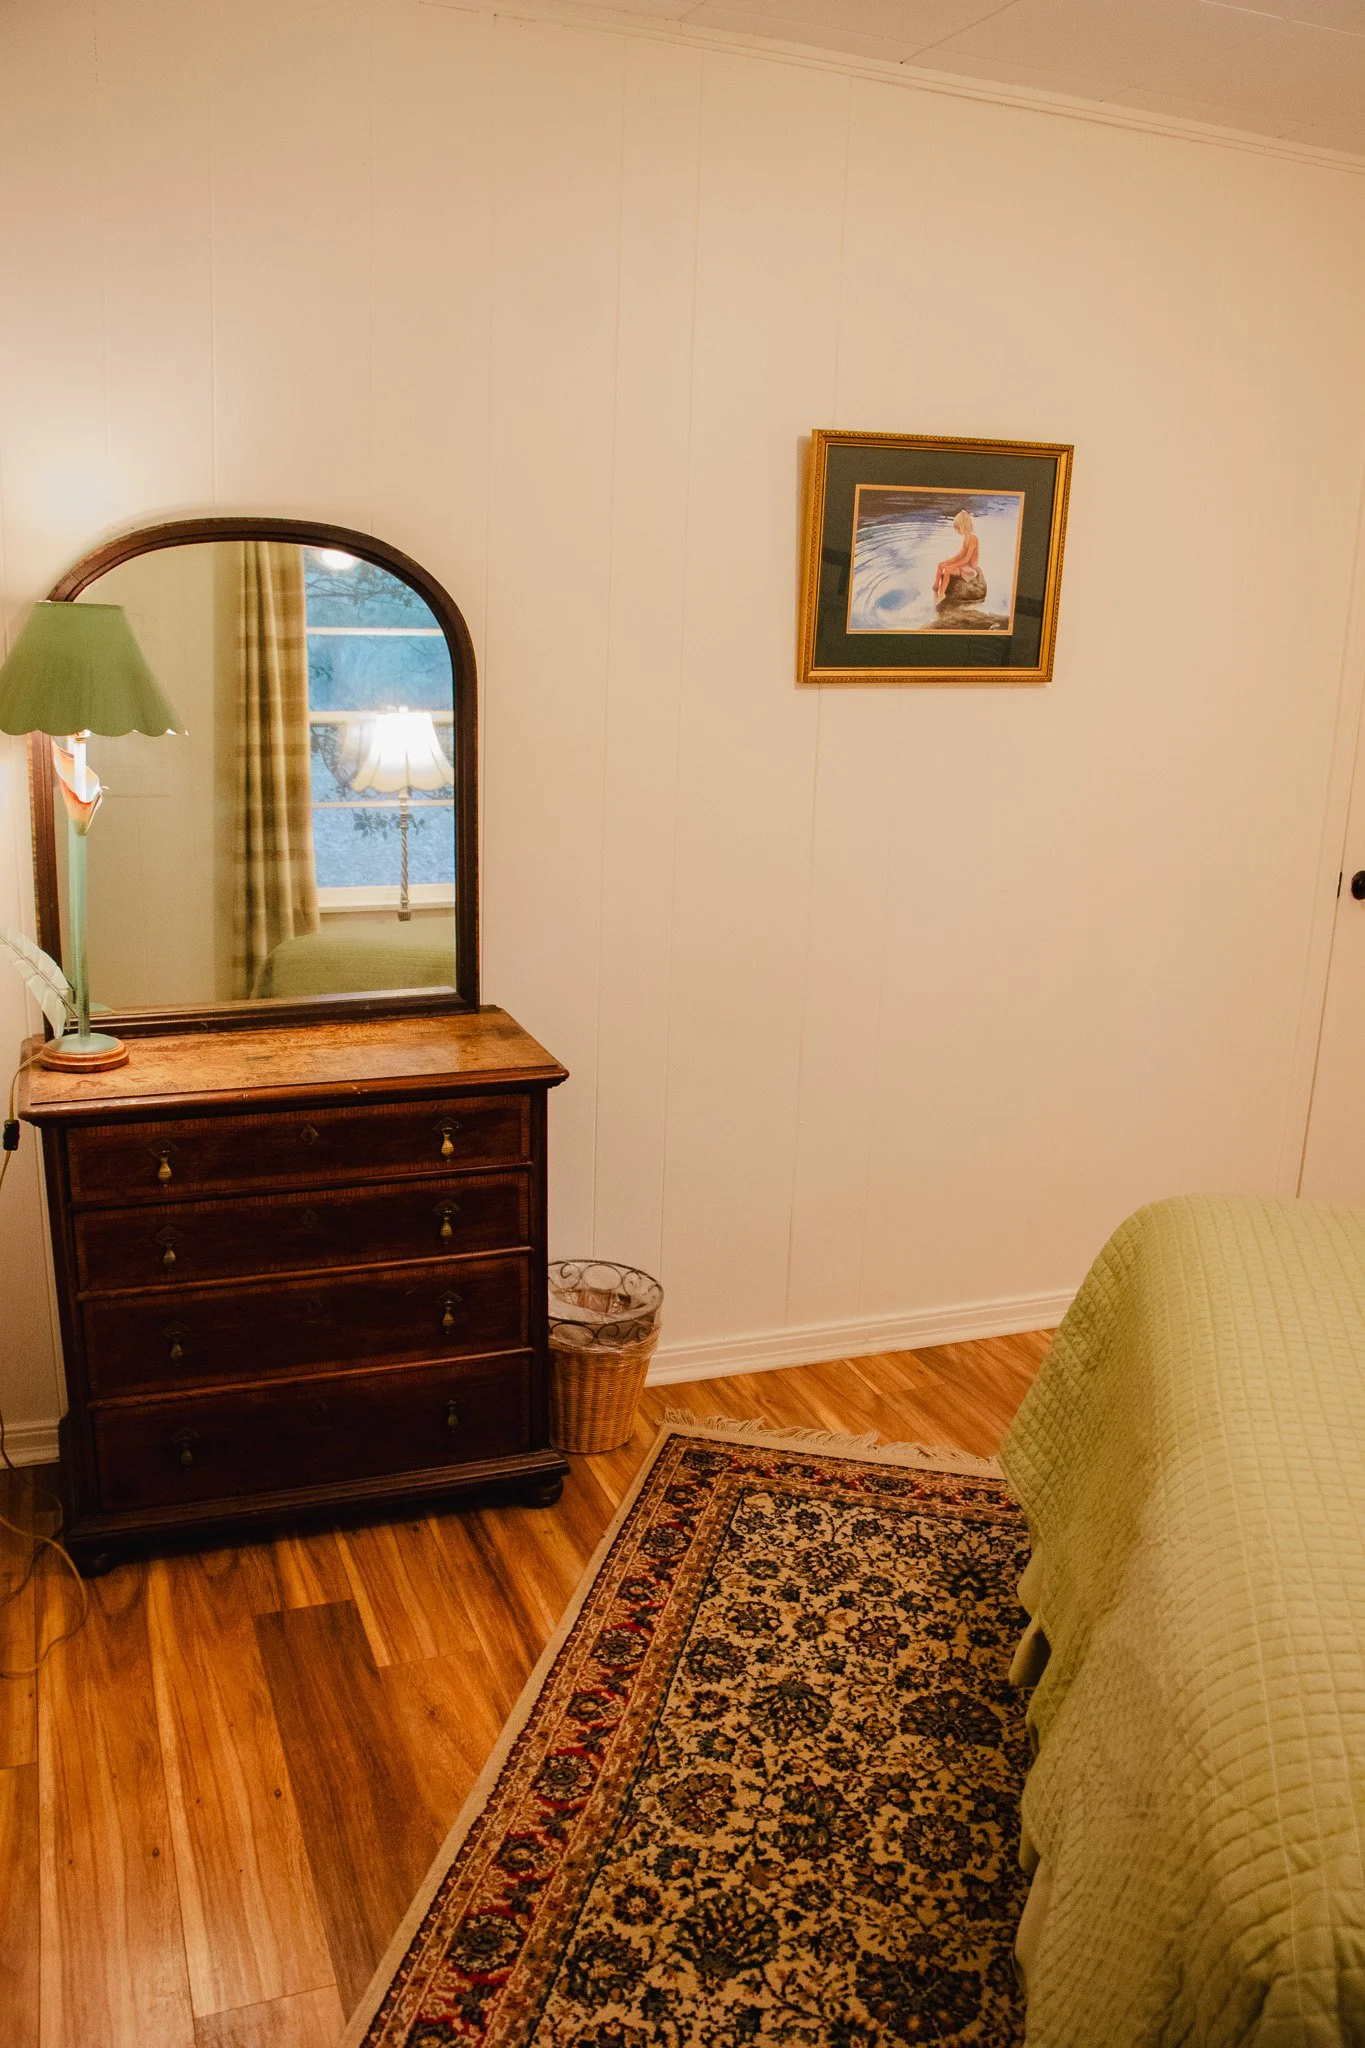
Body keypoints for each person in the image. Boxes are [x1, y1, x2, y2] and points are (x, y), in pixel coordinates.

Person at [933, 509, 981, 602]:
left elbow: (967, 559)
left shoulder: (973, 539)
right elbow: (960, 554)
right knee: (941, 564)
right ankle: (936, 586)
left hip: (970, 567)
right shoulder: (966, 538)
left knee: (948, 569)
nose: (957, 531)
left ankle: (941, 594)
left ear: (964, 526)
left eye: (958, 528)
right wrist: (949, 561)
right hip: (964, 563)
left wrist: (953, 565)